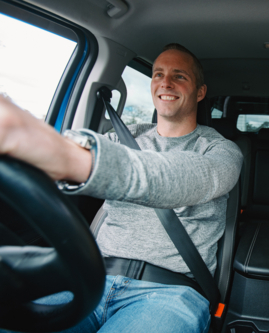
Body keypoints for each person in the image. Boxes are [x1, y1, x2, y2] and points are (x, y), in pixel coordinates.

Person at [0, 43, 243, 333]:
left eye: (179, 76)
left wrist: (72, 158)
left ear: (200, 92)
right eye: (157, 74)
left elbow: (184, 177)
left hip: (169, 293)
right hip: (90, 279)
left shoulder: (222, 151)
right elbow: (84, 142)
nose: (165, 82)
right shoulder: (124, 136)